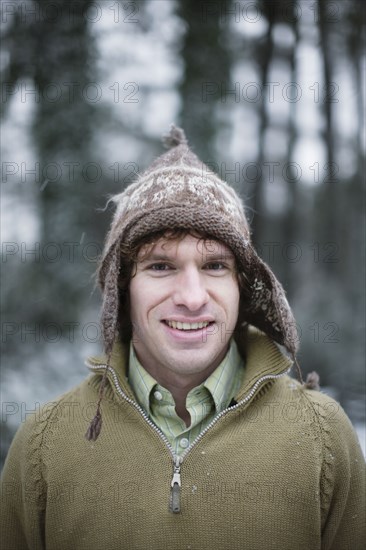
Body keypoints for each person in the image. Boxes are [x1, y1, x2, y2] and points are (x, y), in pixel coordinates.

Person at [1, 125, 364, 550]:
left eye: (214, 266)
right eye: (160, 266)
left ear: (242, 286)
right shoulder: (45, 445)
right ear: (123, 289)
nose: (192, 298)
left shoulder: (322, 438)